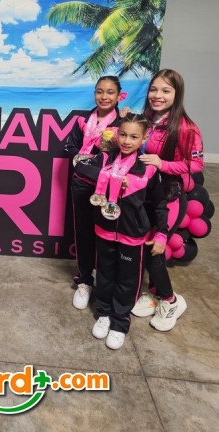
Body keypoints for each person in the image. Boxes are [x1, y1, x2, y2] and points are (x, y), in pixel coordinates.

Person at [73, 113, 169, 350]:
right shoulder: (105, 158)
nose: (127, 141)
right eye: (123, 135)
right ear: (116, 135)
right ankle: (104, 314)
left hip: (132, 235)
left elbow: (159, 204)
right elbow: (80, 167)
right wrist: (110, 177)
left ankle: (119, 322)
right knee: (105, 276)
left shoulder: (148, 168)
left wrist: (161, 233)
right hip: (104, 229)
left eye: (134, 137)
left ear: (144, 137)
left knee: (128, 281)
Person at [131, 69, 204, 331]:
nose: (157, 95)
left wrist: (163, 164)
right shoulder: (147, 119)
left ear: (177, 94)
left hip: (169, 198)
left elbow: (196, 165)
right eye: (153, 89)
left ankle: (171, 301)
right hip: (146, 197)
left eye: (165, 90)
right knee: (142, 246)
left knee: (155, 249)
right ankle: (154, 293)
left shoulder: (186, 127)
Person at [64, 76, 125, 310]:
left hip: (110, 188)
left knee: (107, 235)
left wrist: (91, 161)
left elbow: (123, 155)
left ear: (118, 96)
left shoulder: (122, 123)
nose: (104, 96)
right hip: (81, 183)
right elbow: (69, 147)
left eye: (110, 92)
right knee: (83, 232)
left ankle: (105, 281)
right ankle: (84, 281)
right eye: (100, 91)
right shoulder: (82, 121)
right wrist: (84, 160)